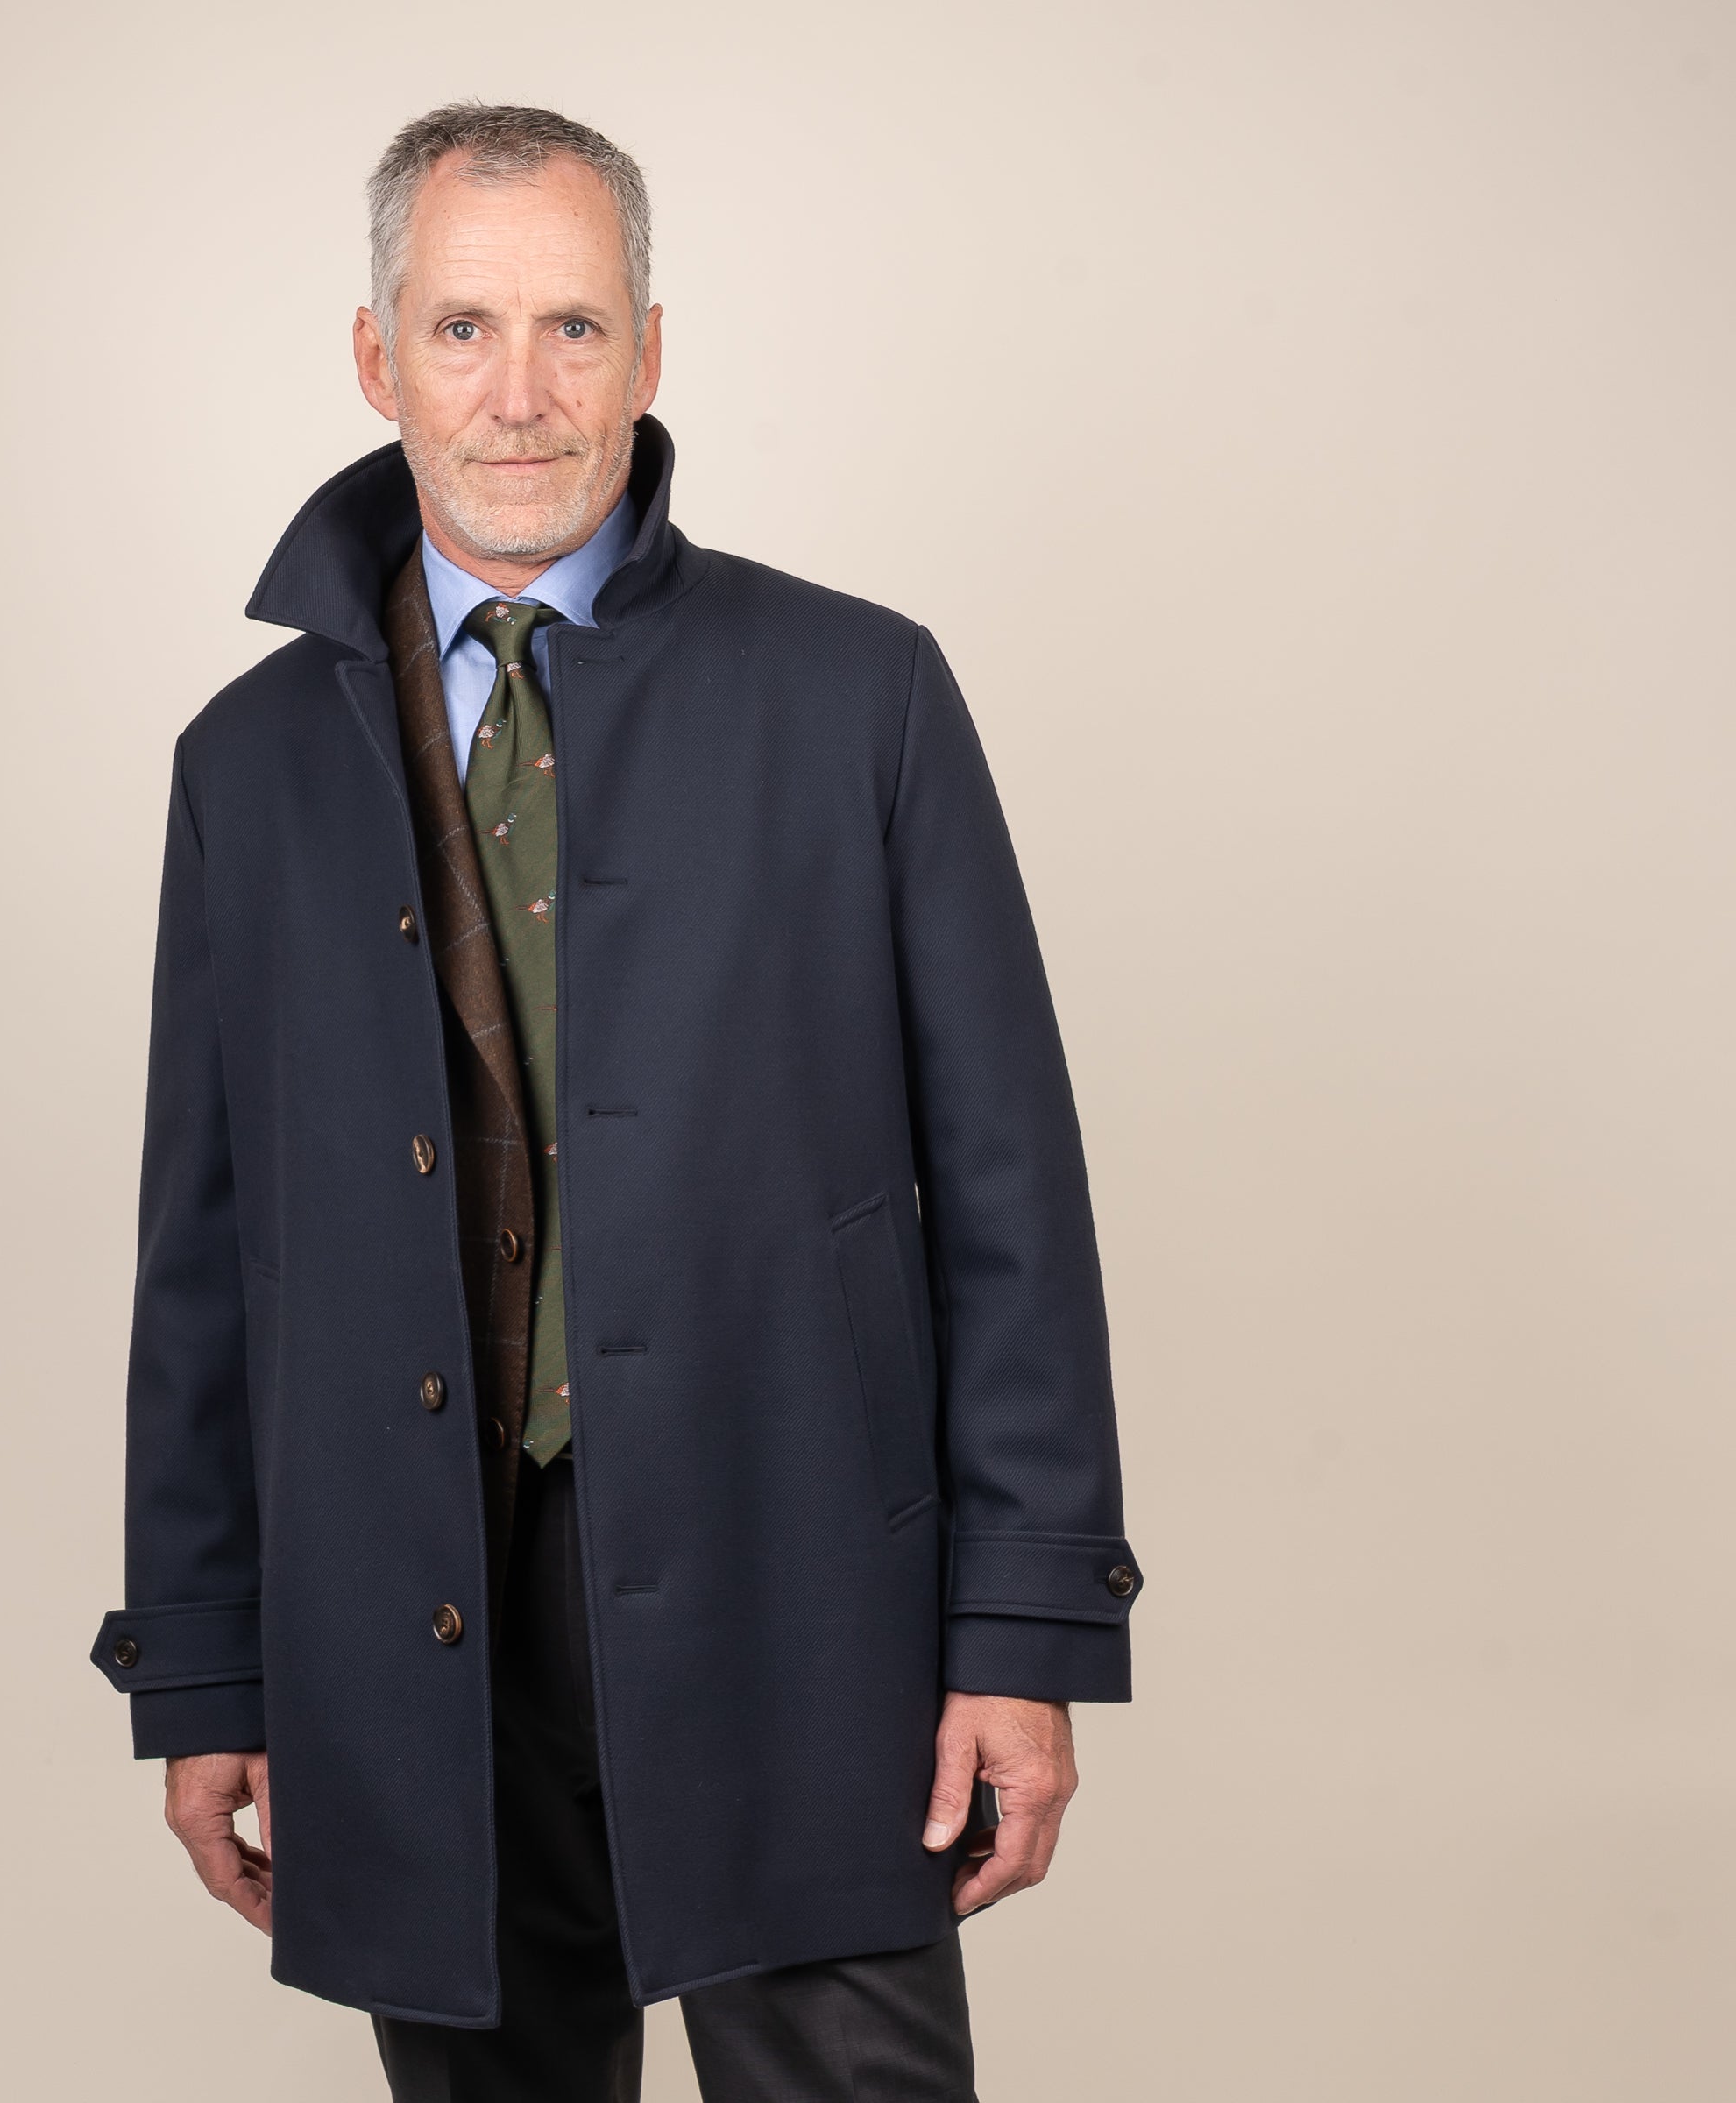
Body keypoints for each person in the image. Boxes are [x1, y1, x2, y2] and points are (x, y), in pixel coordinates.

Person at [89, 101, 1142, 2102]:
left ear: (649, 353)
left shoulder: (860, 693)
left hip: (805, 1583)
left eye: (573, 327)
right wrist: (204, 1657)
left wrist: (1022, 1628)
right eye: (464, 328)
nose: (521, 394)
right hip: (414, 1613)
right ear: (378, 356)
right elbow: (208, 1256)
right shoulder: (248, 763)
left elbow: (1011, 1196)